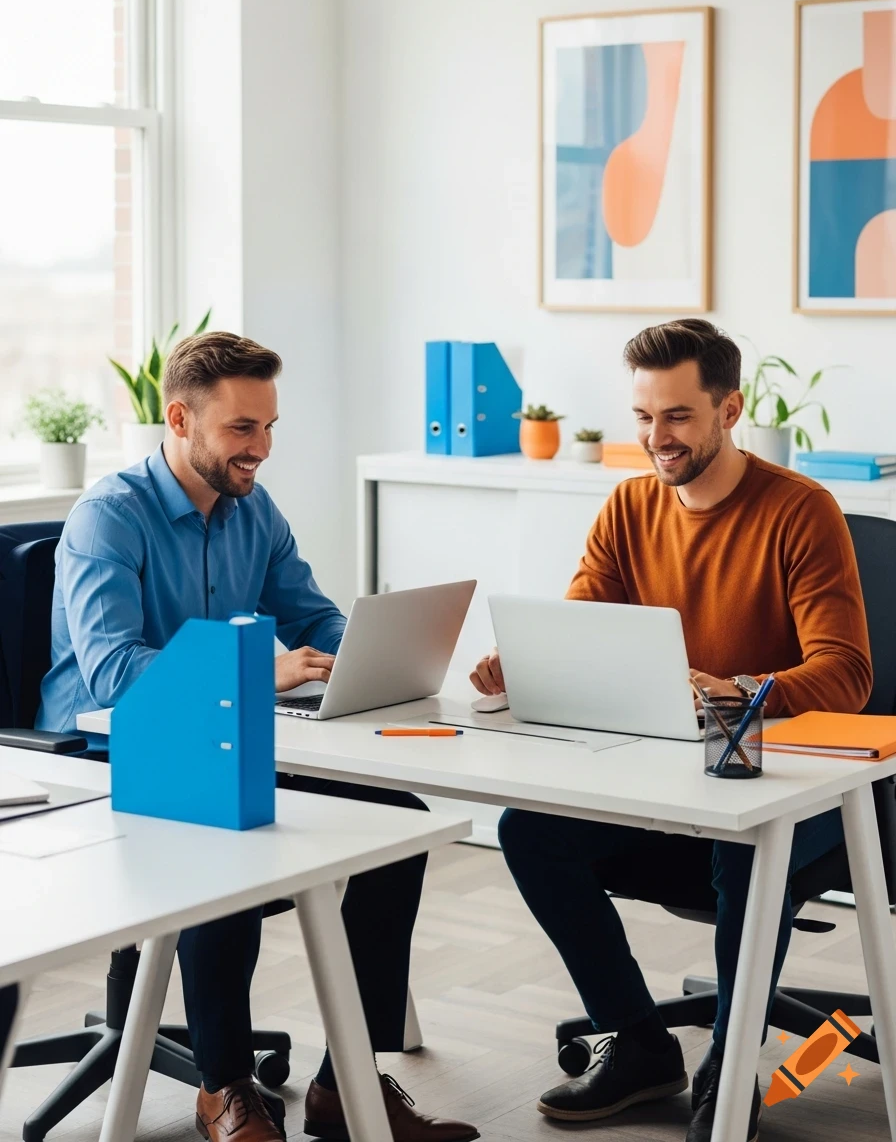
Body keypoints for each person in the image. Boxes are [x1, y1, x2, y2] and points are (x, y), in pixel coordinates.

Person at [38, 332, 479, 1142]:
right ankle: (224, 1086)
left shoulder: (252, 510)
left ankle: (347, 1081)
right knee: (228, 839)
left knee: (401, 819)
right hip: (107, 754)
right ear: (180, 419)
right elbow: (112, 678)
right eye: (243, 429)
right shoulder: (109, 516)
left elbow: (313, 615)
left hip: (221, 739)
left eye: (271, 427)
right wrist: (249, 673)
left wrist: (371, 655)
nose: (262, 449)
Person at [472, 319, 871, 1142]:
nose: (656, 437)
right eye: (644, 416)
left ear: (729, 410)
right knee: (530, 833)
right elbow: (584, 625)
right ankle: (642, 1046)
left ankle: (732, 1059)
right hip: (664, 781)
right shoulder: (629, 506)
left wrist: (738, 691)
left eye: (678, 416)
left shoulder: (801, 511)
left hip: (790, 793)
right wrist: (525, 663)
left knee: (743, 843)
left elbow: (847, 673)